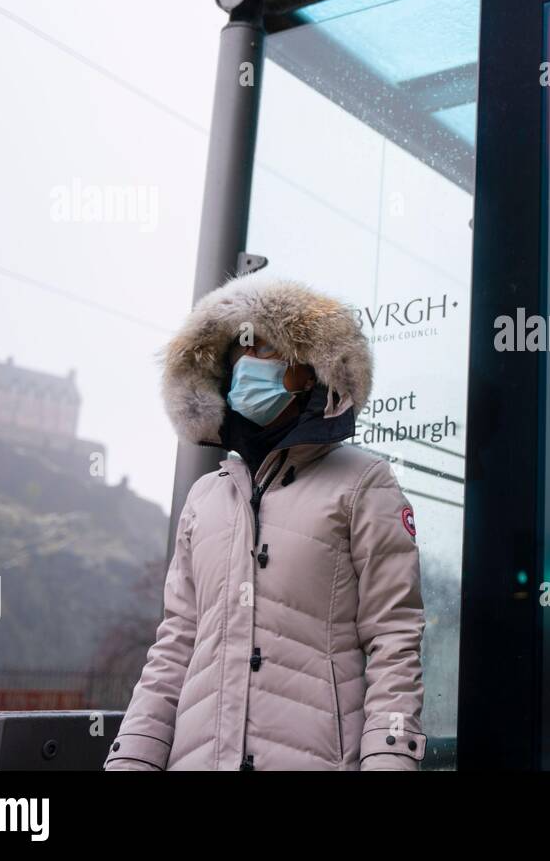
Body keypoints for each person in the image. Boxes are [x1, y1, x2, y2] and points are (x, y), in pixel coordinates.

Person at [104, 272, 426, 770]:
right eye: (239, 356)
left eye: (268, 353)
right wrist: (133, 759)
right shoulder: (205, 498)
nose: (248, 368)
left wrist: (389, 758)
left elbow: (393, 639)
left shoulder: (364, 482)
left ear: (308, 373)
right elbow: (175, 645)